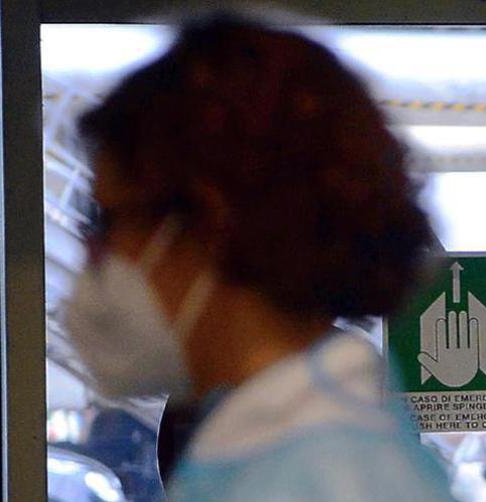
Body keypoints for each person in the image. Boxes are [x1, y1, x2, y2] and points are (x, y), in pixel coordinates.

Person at [65, 12, 456, 502]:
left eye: (106, 221)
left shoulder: (324, 477)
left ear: (208, 225)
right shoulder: (289, 450)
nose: (91, 255)